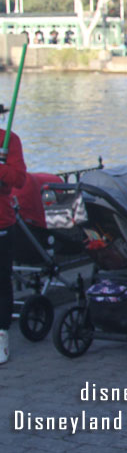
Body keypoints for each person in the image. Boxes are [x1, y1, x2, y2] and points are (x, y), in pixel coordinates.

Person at [0, 114, 27, 365]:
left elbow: (19, 178)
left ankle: (1, 334)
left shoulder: (9, 141)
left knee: (1, 280)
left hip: (1, 223)